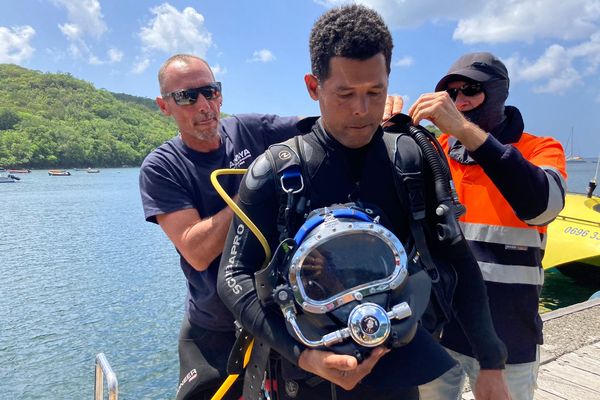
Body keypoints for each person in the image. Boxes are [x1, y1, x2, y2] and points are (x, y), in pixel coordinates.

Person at [217, 6, 510, 400]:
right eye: (345, 93)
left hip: (398, 376)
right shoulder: (274, 171)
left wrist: (491, 363)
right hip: (304, 381)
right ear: (312, 86)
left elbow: (456, 259)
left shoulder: (410, 159)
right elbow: (233, 277)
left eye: (375, 92)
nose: (361, 110)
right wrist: (304, 356)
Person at [139, 54, 301, 399]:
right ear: (164, 106)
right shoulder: (162, 168)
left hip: (282, 313)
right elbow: (196, 250)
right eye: (187, 96)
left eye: (210, 92)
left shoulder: (250, 130)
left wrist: (373, 112)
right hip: (217, 327)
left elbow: (323, 127)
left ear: (221, 95)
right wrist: (254, 188)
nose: (204, 105)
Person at [411, 52, 567, 400]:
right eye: (450, 94)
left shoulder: (538, 149)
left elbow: (543, 205)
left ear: (498, 93)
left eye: (469, 90)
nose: (459, 101)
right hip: (441, 332)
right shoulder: (436, 153)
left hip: (508, 337)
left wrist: (465, 131)